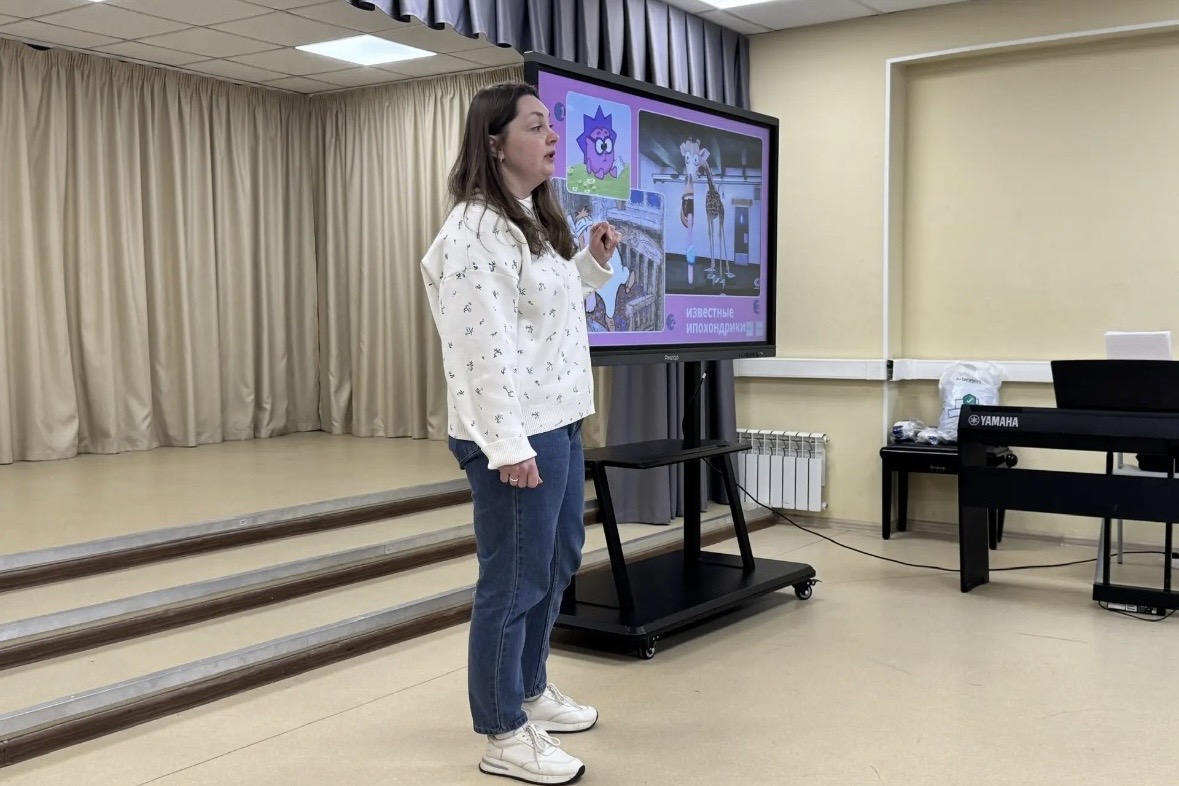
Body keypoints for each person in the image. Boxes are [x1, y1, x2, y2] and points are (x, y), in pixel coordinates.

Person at [420, 81, 622, 785]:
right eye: (536, 126)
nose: (553, 136)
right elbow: (480, 351)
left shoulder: (528, 218)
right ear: (495, 142)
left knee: (556, 564)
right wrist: (506, 447)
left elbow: (544, 310)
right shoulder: (472, 233)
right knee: (511, 583)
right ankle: (503, 732)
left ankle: (531, 688)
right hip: (516, 438)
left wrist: (590, 264)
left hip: (557, 420)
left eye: (550, 125)